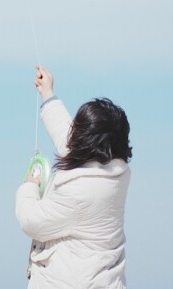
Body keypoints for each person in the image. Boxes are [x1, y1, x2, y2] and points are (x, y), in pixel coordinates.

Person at [15, 66, 132, 289]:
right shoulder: (117, 171)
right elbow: (69, 140)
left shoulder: (79, 192)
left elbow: (31, 220)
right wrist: (48, 95)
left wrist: (29, 186)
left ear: (85, 142)